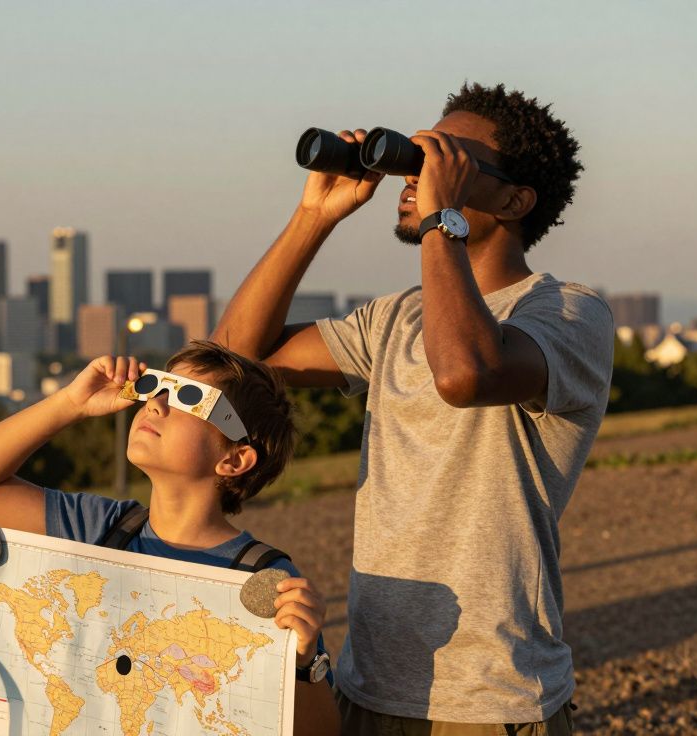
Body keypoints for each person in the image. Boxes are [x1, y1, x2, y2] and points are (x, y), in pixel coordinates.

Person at [212, 83, 613, 734]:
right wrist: (314, 216)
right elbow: (231, 360)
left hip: (491, 700)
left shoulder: (568, 313)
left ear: (515, 200)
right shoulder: (396, 317)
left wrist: (440, 219)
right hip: (367, 688)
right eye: (416, 154)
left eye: (444, 160)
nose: (416, 175)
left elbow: (465, 372)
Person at [0, 340, 342, 733]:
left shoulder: (265, 580)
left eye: (187, 398)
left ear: (234, 459)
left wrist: (304, 664)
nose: (155, 403)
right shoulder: (99, 528)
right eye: (156, 387)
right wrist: (71, 404)